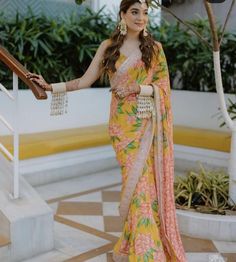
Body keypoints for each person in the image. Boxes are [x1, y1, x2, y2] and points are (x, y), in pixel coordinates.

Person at [27, 0, 186, 261]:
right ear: (123, 14)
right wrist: (49, 86)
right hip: (121, 128)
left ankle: (144, 250)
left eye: (145, 12)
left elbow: (164, 89)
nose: (141, 17)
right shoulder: (108, 47)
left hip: (145, 125)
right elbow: (84, 80)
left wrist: (137, 89)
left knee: (143, 187)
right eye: (135, 12)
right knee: (135, 185)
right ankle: (139, 246)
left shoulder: (154, 49)